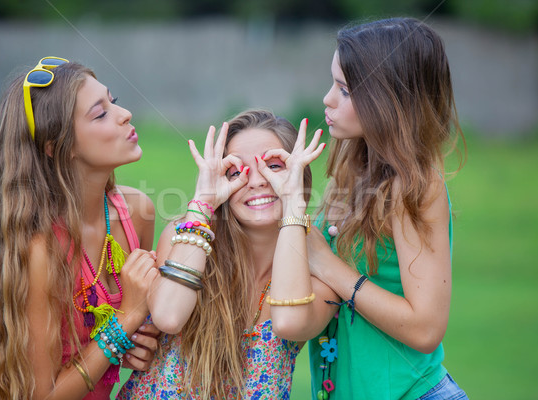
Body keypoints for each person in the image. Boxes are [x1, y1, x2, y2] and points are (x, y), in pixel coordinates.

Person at [0, 57, 160, 400]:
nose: (124, 114)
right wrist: (126, 321)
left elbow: (128, 341)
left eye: (114, 100)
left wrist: (137, 345)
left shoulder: (137, 213)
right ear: (56, 147)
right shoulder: (42, 250)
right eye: (100, 113)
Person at [117, 109, 339, 399]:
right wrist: (204, 200)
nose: (257, 181)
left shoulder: (318, 267)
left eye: (273, 166)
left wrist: (294, 205)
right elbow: (169, 316)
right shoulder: (187, 236)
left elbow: (289, 322)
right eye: (236, 172)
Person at [306, 18, 468, 399]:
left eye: (344, 90)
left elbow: (426, 329)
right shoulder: (351, 167)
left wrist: (329, 267)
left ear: (387, 100)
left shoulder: (415, 185)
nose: (328, 99)